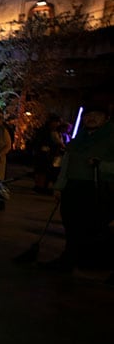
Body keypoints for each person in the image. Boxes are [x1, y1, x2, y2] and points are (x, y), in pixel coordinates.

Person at [41, 104, 113, 273]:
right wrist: (59, 186)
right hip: (74, 185)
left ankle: (89, 260)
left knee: (91, 226)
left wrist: (102, 165)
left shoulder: (110, 137)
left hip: (98, 187)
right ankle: (70, 259)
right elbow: (67, 163)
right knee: (72, 224)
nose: (91, 118)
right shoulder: (80, 137)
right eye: (88, 115)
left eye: (97, 114)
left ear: (106, 118)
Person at [29, 114, 65, 195]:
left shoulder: (56, 132)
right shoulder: (45, 131)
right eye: (56, 122)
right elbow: (39, 141)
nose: (57, 124)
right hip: (44, 154)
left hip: (52, 154)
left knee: (48, 171)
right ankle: (40, 186)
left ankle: (44, 186)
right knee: (42, 170)